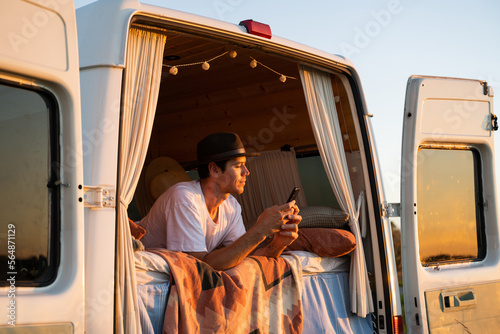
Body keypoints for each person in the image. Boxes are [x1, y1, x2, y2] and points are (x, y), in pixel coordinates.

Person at [139, 132, 301, 270]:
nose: (247, 172)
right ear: (214, 170)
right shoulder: (184, 198)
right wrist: (259, 230)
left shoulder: (231, 206)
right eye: (239, 166)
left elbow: (243, 256)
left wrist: (278, 244)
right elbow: (197, 267)